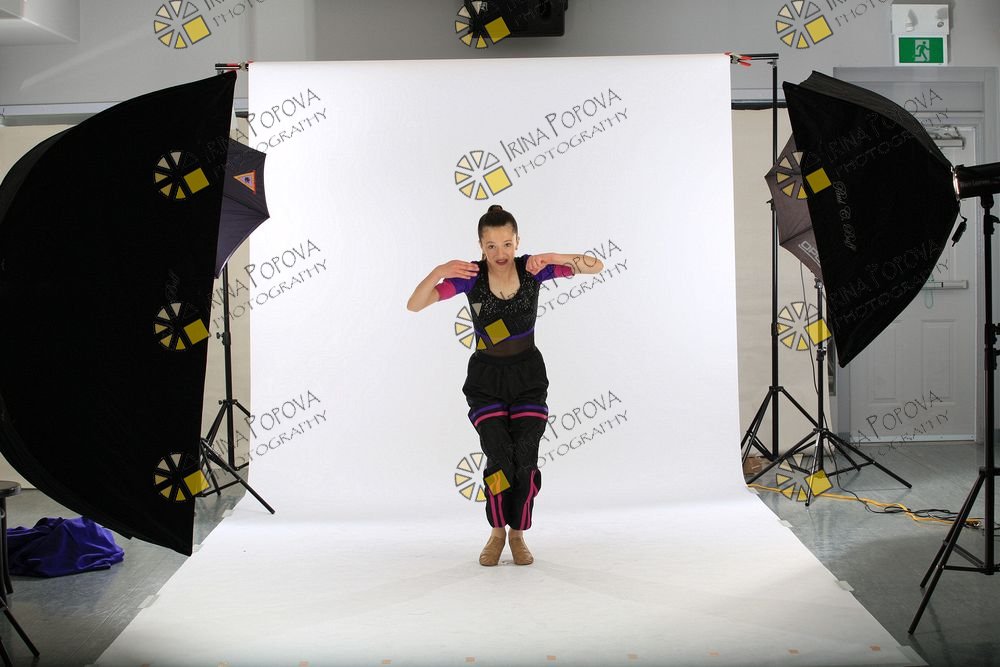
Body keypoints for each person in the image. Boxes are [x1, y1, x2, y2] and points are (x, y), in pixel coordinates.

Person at [407, 204, 604, 566]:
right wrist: (439, 271)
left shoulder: (532, 270)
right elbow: (414, 304)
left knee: (525, 462)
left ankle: (518, 534)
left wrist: (553, 257)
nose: (500, 253)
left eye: (507, 244)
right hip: (486, 382)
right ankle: (497, 531)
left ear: (517, 241)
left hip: (528, 378)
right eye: (491, 246)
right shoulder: (470, 277)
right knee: (499, 459)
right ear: (480, 246)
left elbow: (596, 265)